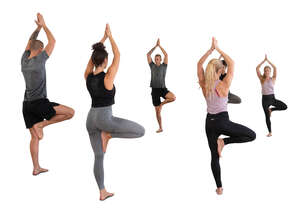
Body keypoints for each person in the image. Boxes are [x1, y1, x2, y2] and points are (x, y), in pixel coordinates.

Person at [85, 24, 145, 201]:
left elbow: (91, 61)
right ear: (104, 61)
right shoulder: (107, 77)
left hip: (90, 119)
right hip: (105, 119)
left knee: (98, 156)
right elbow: (118, 55)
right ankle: (109, 135)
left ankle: (102, 192)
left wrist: (100, 43)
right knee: (141, 131)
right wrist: (110, 37)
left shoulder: (87, 76)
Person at [197, 37, 256, 195]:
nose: (224, 71)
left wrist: (210, 51)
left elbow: (198, 65)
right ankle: (223, 141)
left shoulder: (204, 84)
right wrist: (218, 49)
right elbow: (232, 63)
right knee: (252, 135)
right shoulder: (223, 85)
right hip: (222, 122)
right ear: (218, 71)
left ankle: (219, 187)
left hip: (209, 123)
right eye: (221, 70)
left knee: (213, 156)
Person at [21, 13, 74, 176]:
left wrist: (37, 29)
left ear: (29, 48)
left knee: (34, 138)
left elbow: (30, 42)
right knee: (70, 113)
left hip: (26, 104)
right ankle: (42, 125)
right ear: (41, 50)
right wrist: (44, 25)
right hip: (39, 103)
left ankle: (36, 167)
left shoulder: (24, 59)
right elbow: (53, 41)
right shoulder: (40, 60)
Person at [147, 39, 176, 133]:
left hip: (163, 89)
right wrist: (155, 47)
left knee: (173, 97)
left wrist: (160, 46)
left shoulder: (164, 66)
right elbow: (148, 55)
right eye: (155, 59)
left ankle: (161, 104)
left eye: (158, 59)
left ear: (161, 60)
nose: (156, 60)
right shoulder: (152, 66)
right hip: (154, 90)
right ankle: (160, 127)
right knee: (157, 112)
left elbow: (166, 55)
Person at [256, 55, 287, 137]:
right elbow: (257, 68)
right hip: (264, 100)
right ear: (264, 72)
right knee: (267, 117)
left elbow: (275, 68)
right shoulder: (261, 79)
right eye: (265, 71)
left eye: (268, 71)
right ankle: (270, 132)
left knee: (284, 107)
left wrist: (268, 61)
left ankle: (272, 109)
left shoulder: (273, 78)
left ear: (270, 72)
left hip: (272, 99)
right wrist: (263, 61)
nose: (267, 72)